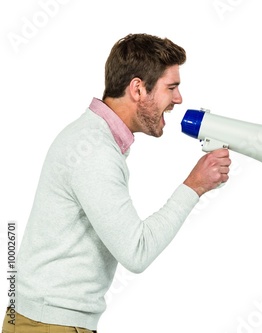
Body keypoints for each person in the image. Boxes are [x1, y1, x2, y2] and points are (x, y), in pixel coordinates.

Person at [2, 33, 231, 333]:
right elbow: (136, 251)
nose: (178, 99)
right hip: (49, 324)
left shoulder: (95, 140)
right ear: (137, 88)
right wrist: (194, 185)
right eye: (171, 87)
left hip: (50, 321)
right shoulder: (94, 149)